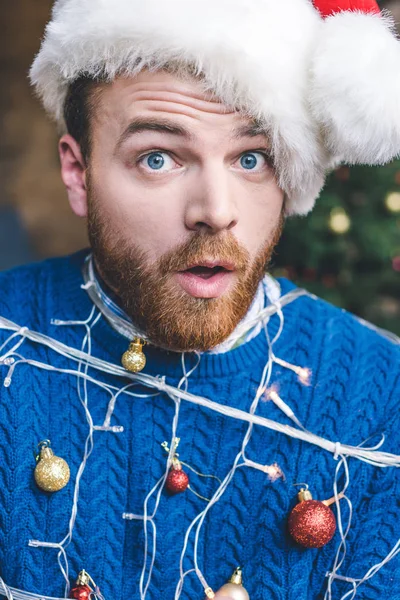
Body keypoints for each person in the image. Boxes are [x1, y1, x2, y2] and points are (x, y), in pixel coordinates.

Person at [0, 0, 399, 599]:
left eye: (251, 158)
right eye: (157, 158)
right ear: (79, 175)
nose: (215, 209)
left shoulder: (384, 398)